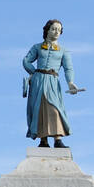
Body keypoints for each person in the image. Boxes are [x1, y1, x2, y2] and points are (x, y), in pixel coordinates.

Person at [23, 19, 81, 147]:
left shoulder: (63, 50)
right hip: (38, 82)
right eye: (54, 29)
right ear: (47, 30)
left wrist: (70, 82)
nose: (56, 32)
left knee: (55, 109)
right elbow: (26, 61)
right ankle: (43, 140)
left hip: (53, 82)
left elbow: (68, 68)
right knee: (39, 109)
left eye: (59, 30)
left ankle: (57, 139)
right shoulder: (37, 47)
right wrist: (34, 73)